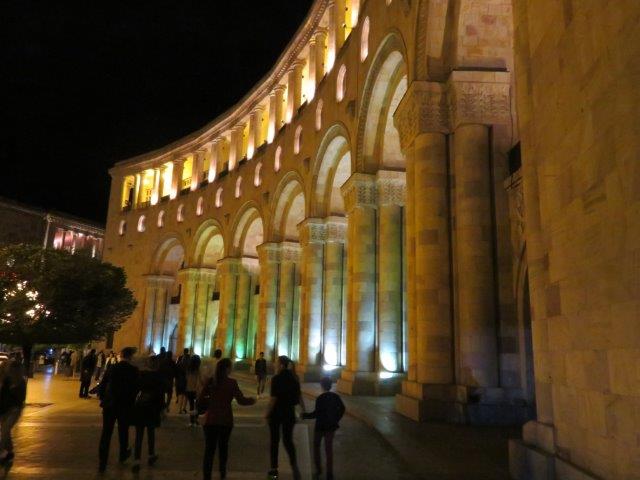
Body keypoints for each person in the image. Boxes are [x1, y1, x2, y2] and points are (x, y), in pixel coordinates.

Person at [199, 358, 255, 480]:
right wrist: (252, 400)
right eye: (231, 367)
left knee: (209, 451)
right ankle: (222, 474)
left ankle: (206, 477)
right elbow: (241, 400)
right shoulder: (231, 383)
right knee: (223, 449)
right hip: (225, 421)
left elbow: (201, 399)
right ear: (227, 369)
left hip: (211, 420)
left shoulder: (211, 381)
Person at [98, 347, 139, 473]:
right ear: (130, 357)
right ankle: (122, 454)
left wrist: (104, 398)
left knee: (106, 433)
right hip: (125, 405)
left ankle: (102, 461)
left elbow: (103, 385)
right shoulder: (134, 370)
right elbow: (136, 388)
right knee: (123, 431)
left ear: (121, 356)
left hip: (110, 405)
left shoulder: (112, 368)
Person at [266, 356, 305, 480]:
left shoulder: (276, 379)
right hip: (289, 413)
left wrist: (267, 413)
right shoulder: (294, 378)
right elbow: (299, 396)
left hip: (276, 413)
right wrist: (303, 409)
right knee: (288, 441)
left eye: (276, 363)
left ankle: (274, 471)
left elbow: (273, 399)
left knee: (274, 441)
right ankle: (294, 466)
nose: (275, 365)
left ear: (282, 365)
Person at [303, 377, 346, 480]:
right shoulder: (336, 397)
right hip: (330, 427)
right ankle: (329, 474)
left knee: (316, 447)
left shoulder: (320, 398)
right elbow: (342, 409)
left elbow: (316, 414)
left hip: (320, 427)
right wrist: (336, 419)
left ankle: (318, 470)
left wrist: (305, 415)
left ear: (322, 386)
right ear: (330, 385)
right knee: (328, 450)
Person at [131, 356, 164, 474]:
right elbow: (161, 395)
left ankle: (137, 460)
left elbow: (135, 390)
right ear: (157, 365)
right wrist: (162, 409)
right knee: (151, 433)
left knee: (139, 435)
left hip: (141, 407)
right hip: (152, 408)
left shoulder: (142, 375)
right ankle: (151, 455)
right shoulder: (158, 377)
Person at [0, 360, 26, 464]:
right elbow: (2, 396)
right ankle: (9, 451)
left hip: (14, 410)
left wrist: (13, 389)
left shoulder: (21, 382)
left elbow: (21, 398)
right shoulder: (6, 380)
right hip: (4, 410)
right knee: (5, 431)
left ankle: (1, 450)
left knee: (5, 430)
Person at [185, 355, 202, 426]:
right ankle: (196, 419)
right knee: (197, 406)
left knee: (191, 405)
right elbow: (200, 380)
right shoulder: (198, 370)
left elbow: (186, 378)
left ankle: (191, 420)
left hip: (189, 389)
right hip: (196, 390)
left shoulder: (188, 369)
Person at [175, 348, 190, 414]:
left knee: (181, 395)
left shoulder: (180, 361)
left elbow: (177, 369)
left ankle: (180, 409)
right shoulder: (189, 360)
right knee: (186, 395)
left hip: (181, 380)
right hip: (187, 380)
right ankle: (184, 408)